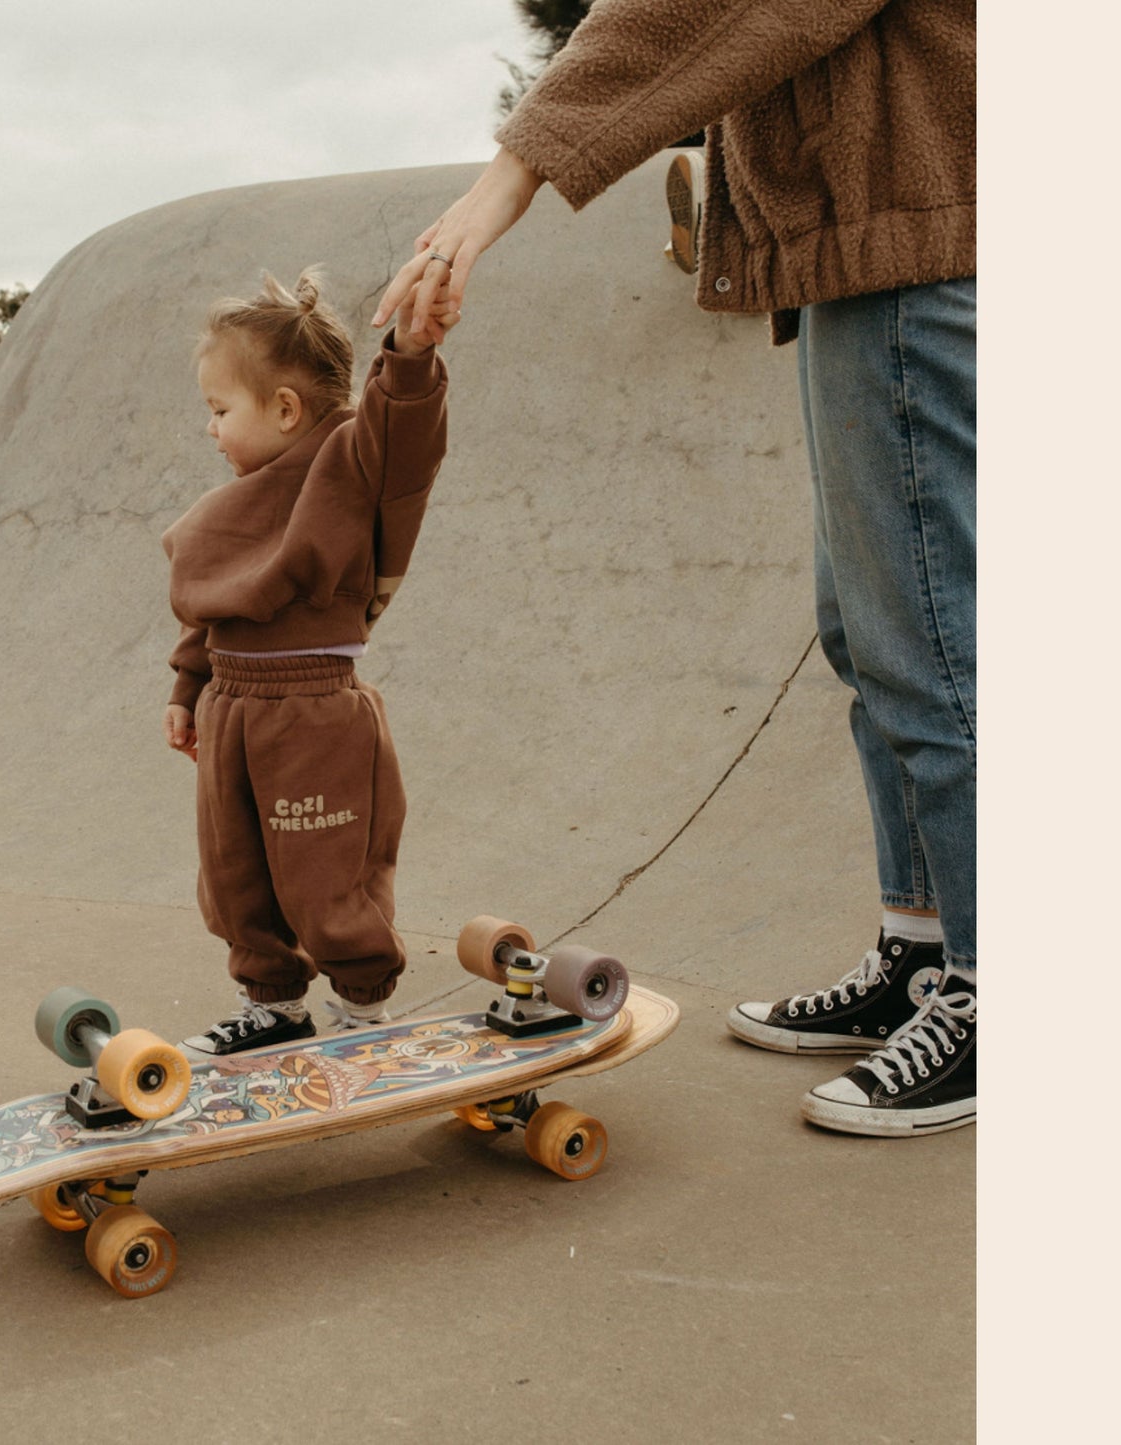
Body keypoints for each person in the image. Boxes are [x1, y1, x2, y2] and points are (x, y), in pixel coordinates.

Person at [373, 0, 976, 1138]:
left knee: (932, 647)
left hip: (915, 244)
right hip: (877, 246)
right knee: (871, 633)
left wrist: (504, 182)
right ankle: (924, 949)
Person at [163, 268, 457, 1057]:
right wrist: (188, 687)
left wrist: (409, 353)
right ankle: (274, 1006)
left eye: (220, 410)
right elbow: (213, 608)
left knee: (323, 875)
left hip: (312, 710)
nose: (211, 428)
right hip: (231, 706)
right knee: (236, 876)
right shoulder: (231, 507)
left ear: (285, 408)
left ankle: (362, 1008)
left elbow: (405, 436)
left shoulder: (349, 466)